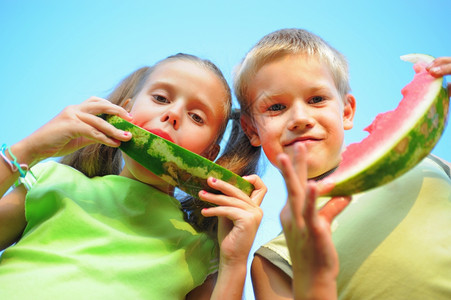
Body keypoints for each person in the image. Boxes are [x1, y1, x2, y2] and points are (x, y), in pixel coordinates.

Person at [0, 53, 266, 299]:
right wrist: (28, 149)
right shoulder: (51, 181)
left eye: (196, 117)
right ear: (124, 111)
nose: (172, 114)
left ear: (209, 155)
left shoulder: (198, 250)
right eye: (161, 99)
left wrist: (234, 262)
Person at [233, 28, 451, 299]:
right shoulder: (272, 261)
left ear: (347, 111)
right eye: (276, 107)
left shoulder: (429, 164)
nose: (300, 118)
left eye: (316, 99)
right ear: (252, 129)